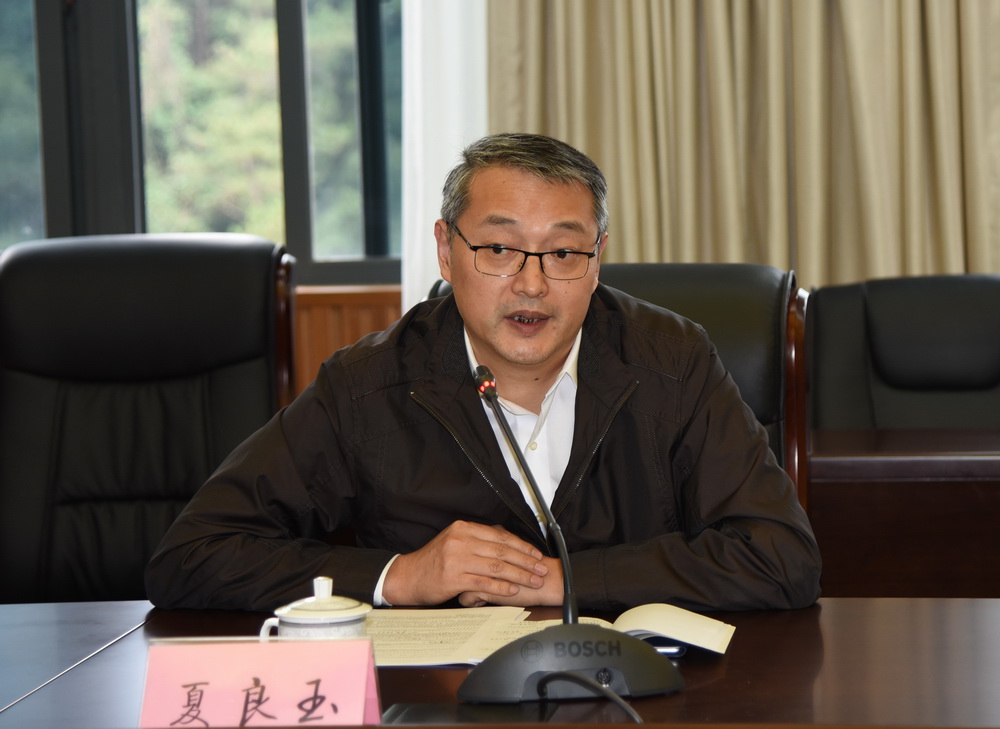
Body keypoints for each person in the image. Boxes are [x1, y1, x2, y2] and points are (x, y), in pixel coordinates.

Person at [145, 132, 821, 613]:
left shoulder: (672, 361)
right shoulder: (370, 384)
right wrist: (401, 576)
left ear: (597, 259)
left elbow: (782, 557)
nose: (531, 284)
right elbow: (193, 555)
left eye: (563, 252)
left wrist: (564, 580)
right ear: (446, 249)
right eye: (499, 248)